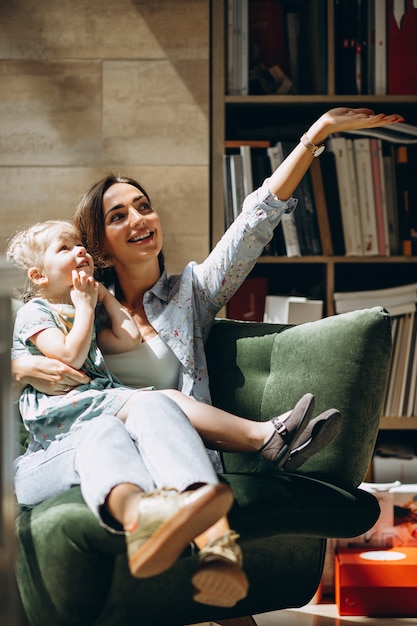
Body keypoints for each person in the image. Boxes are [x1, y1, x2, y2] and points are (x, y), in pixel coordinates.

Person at [11, 107, 404, 603]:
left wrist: (312, 139)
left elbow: (253, 224)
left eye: (143, 206)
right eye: (118, 215)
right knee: (120, 417)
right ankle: (240, 472)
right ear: (97, 246)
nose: (139, 219)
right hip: (98, 454)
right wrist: (18, 366)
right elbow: (31, 338)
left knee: (153, 403)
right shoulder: (76, 310)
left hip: (175, 459)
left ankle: (216, 546)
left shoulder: (189, 294)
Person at [7, 219, 339, 608]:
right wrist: (82, 307)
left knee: (154, 403)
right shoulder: (35, 312)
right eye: (65, 248)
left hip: (96, 417)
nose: (79, 251)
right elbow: (69, 356)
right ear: (38, 275)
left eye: (81, 244)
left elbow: (126, 337)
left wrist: (104, 300)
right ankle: (147, 519)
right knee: (106, 429)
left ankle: (217, 548)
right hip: (47, 452)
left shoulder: (89, 312)